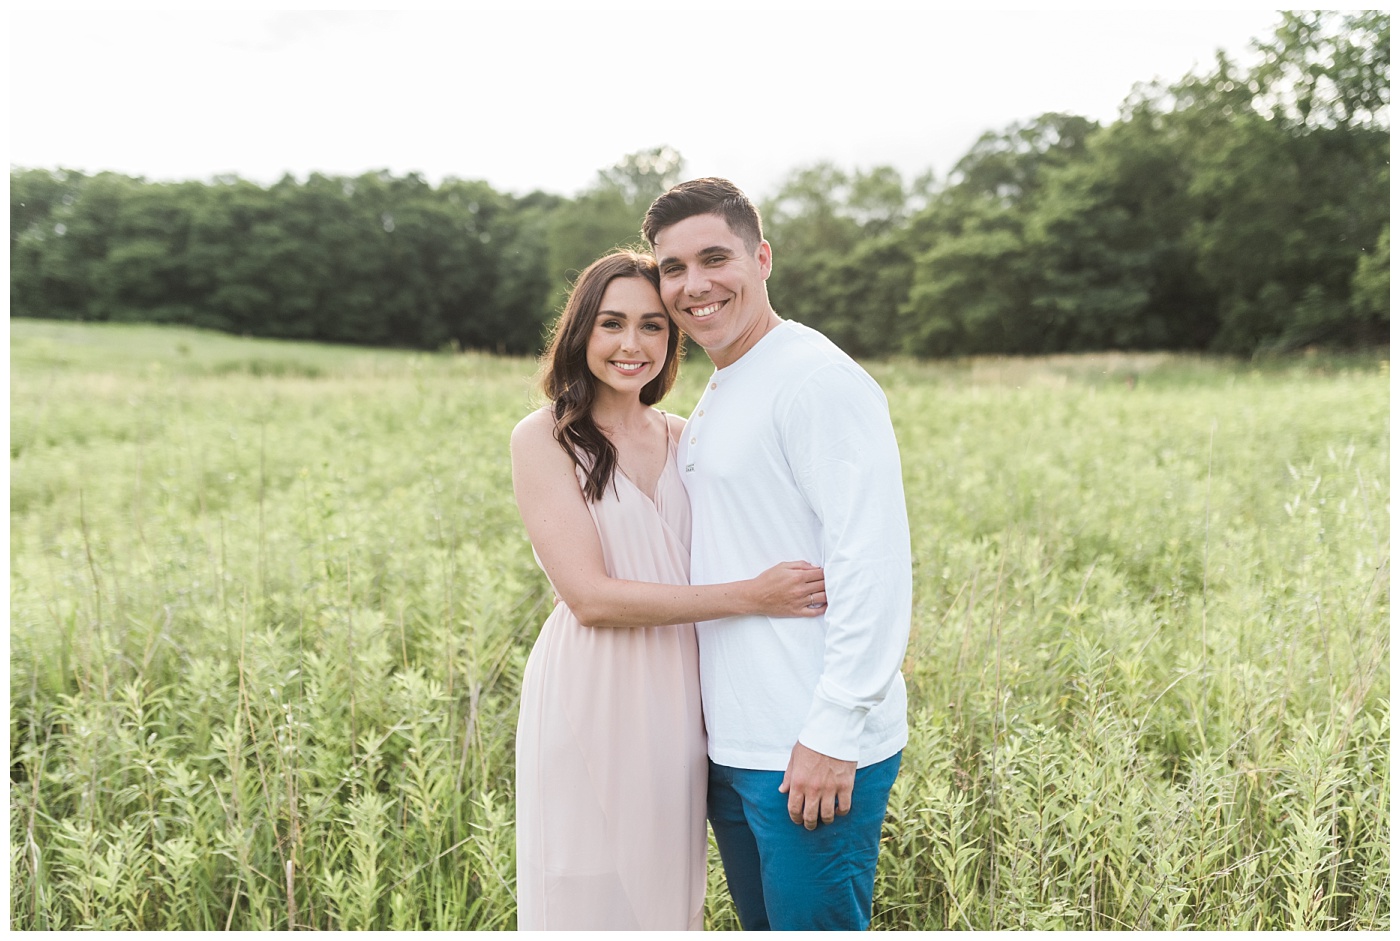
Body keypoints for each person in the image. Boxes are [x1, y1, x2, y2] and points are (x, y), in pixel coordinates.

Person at [509, 250, 828, 931]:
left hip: (682, 695)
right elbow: (591, 598)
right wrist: (751, 594)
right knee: (585, 886)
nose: (632, 345)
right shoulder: (543, 439)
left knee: (665, 892)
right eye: (611, 324)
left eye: (652, 326)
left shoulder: (689, 438)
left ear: (672, 337)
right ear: (579, 333)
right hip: (591, 689)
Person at [642, 178, 913, 931]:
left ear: (762, 258)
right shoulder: (727, 383)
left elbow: (873, 560)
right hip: (738, 744)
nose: (694, 285)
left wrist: (834, 728)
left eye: (714, 257)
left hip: (809, 747)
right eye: (673, 268)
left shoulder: (816, 379)